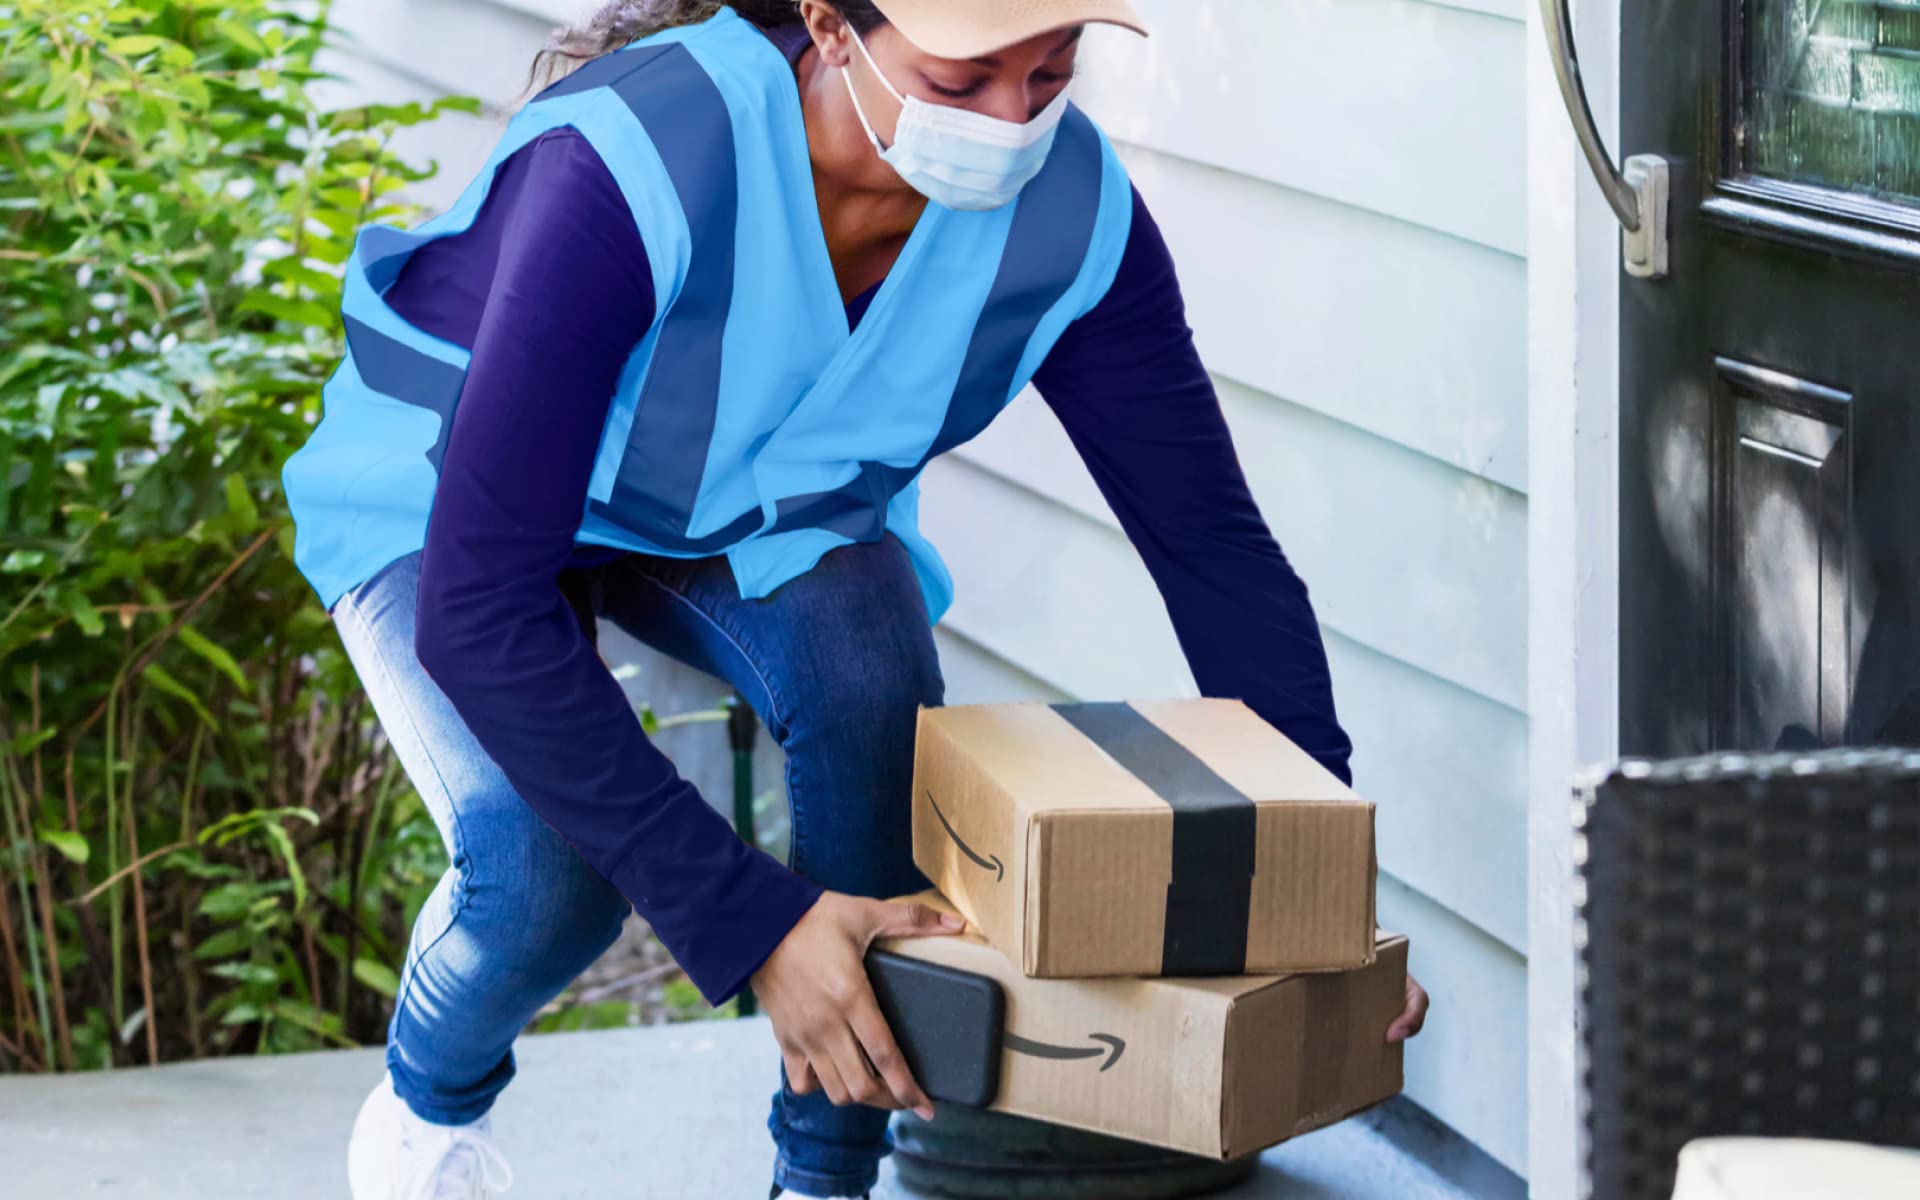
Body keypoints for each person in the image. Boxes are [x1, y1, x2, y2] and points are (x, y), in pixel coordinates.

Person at [279, 1, 1430, 1196]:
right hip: (451, 488)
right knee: (545, 874)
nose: (1010, 122)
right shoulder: (638, 157)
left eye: (1049, 73)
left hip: (743, 512)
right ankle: (423, 1113)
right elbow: (481, 606)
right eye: (964, 76)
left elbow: (1212, 550)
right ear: (832, 28)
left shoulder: (1073, 217)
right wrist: (755, 923)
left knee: (871, 668)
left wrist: (1312, 905)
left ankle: (824, 1183)